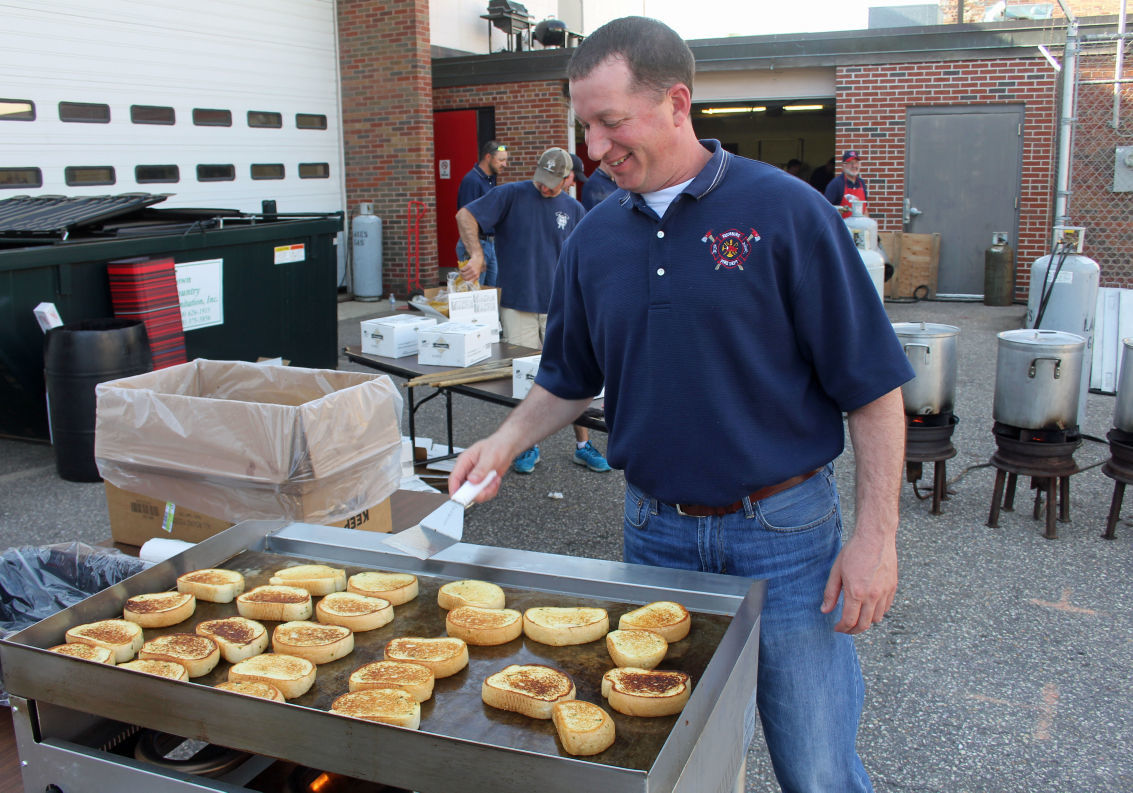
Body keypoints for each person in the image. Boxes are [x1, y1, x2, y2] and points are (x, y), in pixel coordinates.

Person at [449, 17, 912, 793]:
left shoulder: (787, 212)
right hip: (654, 534)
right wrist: (500, 442)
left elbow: (870, 386)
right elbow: (567, 377)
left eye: (609, 123)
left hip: (785, 539)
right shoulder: (595, 237)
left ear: (675, 102)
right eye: (585, 126)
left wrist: (875, 538)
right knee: (660, 762)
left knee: (815, 763)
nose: (594, 149)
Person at [455, 147, 611, 475]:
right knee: (525, 378)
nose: (546, 187)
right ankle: (525, 445)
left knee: (573, 377)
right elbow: (465, 215)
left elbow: (590, 258)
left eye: (554, 182)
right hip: (519, 304)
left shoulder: (575, 208)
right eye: (542, 179)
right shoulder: (510, 194)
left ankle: (583, 445)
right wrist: (477, 253)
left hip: (561, 308)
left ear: (569, 179)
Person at [455, 140, 508, 286]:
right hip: (477, 243)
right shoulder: (472, 181)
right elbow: (465, 218)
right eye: (501, 160)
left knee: (489, 292)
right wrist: (475, 253)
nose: (505, 164)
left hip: (489, 244)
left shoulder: (490, 180)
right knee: (474, 292)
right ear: (488, 157)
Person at [825, 150, 869, 215]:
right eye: (850, 163)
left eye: (856, 162)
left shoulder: (861, 183)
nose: (854, 166)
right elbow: (825, 208)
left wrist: (868, 223)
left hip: (859, 224)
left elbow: (864, 209)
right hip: (842, 224)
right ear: (843, 165)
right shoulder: (836, 184)